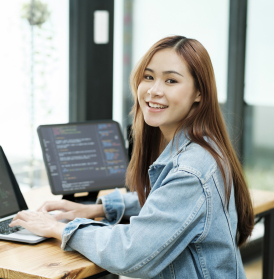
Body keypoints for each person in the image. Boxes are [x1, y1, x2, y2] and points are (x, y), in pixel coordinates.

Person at [10, 36, 254, 279]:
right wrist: (98, 209)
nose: (154, 90)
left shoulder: (191, 170)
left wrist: (57, 227)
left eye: (171, 80)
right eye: (148, 77)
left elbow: (131, 253)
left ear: (199, 93)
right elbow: (168, 202)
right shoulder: (202, 146)